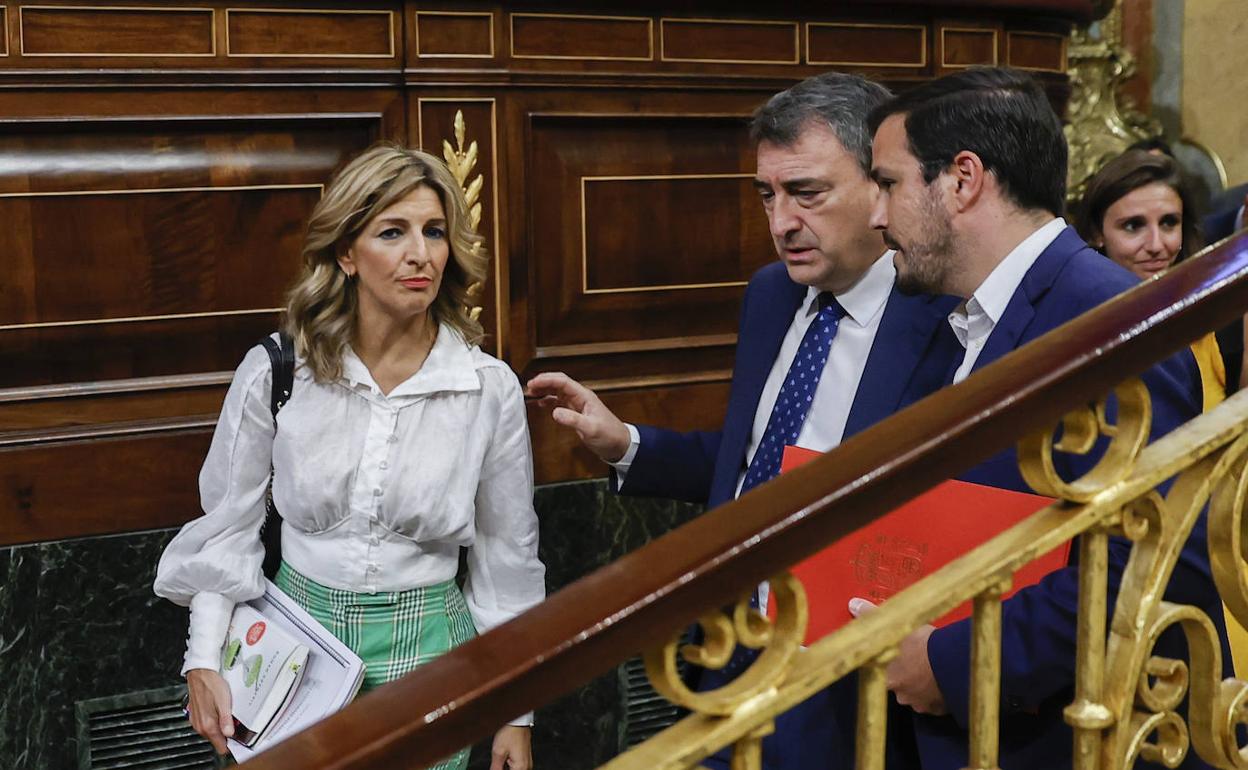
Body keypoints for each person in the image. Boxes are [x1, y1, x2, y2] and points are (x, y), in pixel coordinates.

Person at [527, 72, 957, 770]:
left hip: (846, 670)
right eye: (768, 195)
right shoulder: (772, 295)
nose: (781, 222)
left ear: (880, 186)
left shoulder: (941, 317)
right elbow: (757, 461)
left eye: (806, 193)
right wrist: (626, 444)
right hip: (724, 642)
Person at [864, 65, 1229, 770]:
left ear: (963, 180)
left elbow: (1156, 560)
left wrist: (956, 661)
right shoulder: (948, 315)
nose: (877, 214)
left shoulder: (1111, 320)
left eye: (888, 183)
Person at [154, 143, 544, 770]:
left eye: (435, 231)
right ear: (346, 253)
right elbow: (227, 527)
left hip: (433, 661)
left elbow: (508, 561)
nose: (421, 253)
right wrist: (202, 658)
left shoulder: (485, 387)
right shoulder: (279, 372)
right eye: (393, 232)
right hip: (291, 653)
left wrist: (516, 712)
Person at [1075, 149, 1226, 406]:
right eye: (1133, 226)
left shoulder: (1201, 310)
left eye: (1169, 223)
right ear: (1096, 232)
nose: (1156, 245)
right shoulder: (1077, 322)